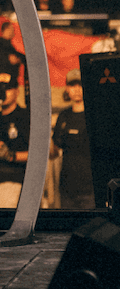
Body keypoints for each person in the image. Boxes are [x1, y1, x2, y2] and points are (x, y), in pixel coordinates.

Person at [53, 69, 93, 211]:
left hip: (90, 189)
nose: (77, 89)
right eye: (72, 85)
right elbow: (54, 151)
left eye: (80, 85)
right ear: (67, 88)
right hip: (67, 188)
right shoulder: (64, 116)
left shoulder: (94, 115)